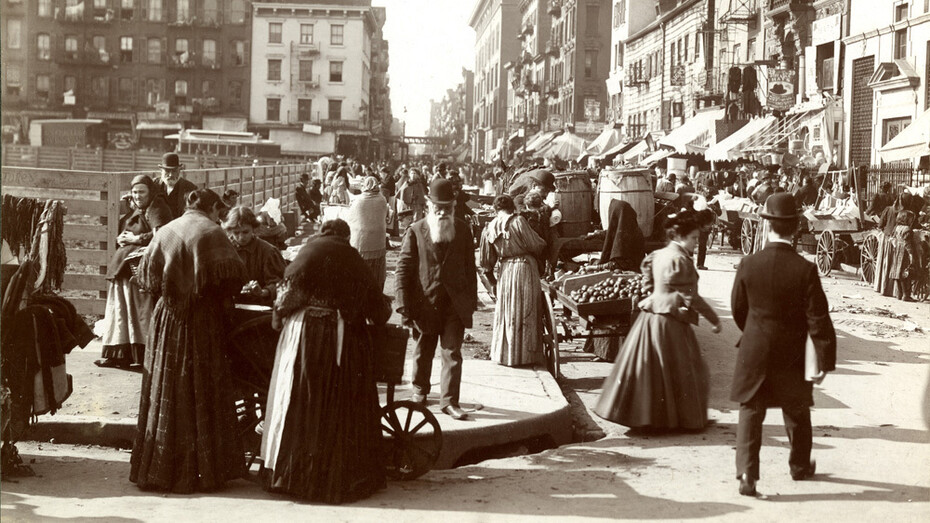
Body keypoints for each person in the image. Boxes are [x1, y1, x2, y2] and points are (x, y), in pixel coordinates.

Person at [260, 219, 390, 504]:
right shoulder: (353, 258)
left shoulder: (307, 252)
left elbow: (286, 297)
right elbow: (377, 308)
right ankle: (336, 477)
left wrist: (279, 314)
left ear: (322, 233)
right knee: (339, 404)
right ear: (346, 237)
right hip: (340, 341)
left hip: (304, 337)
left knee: (300, 399)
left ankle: (295, 476)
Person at [131, 189, 246, 493]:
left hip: (167, 319)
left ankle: (159, 468)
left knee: (166, 388)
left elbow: (146, 279)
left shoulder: (167, 230)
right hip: (202, 321)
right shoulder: (213, 232)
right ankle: (204, 470)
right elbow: (235, 278)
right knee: (202, 389)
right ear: (210, 209)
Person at [730, 192, 837, 497]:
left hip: (754, 349)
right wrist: (824, 358)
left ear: (768, 227)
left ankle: (748, 473)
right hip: (791, 354)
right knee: (797, 410)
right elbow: (818, 318)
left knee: (750, 409)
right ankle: (799, 466)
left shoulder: (748, 264)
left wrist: (754, 332)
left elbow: (738, 309)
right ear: (794, 229)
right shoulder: (806, 269)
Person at [594, 209, 722, 430]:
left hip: (649, 318)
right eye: (693, 238)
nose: (695, 243)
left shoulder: (657, 255)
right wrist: (714, 319)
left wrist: (658, 296)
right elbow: (692, 297)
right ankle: (677, 419)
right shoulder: (681, 260)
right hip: (670, 322)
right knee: (685, 371)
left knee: (649, 370)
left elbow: (647, 287)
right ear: (679, 236)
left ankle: (648, 418)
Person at [396, 178, 478, 420]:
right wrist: (403, 305)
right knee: (423, 349)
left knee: (452, 353)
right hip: (425, 302)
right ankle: (420, 390)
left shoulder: (463, 230)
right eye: (438, 207)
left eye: (448, 207)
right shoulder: (416, 230)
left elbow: (469, 268)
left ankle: (449, 401)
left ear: (454, 206)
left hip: (454, 303)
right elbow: (403, 269)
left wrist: (471, 302)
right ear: (429, 205)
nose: (443, 212)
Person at [96, 175, 172, 369]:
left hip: (140, 269)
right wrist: (121, 238)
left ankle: (142, 356)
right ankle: (120, 354)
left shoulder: (158, 206)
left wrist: (135, 240)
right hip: (123, 268)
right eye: (135, 192)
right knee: (121, 311)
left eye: (142, 192)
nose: (138, 196)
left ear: (151, 192)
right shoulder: (137, 210)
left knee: (140, 311)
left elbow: (161, 235)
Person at [479, 195, 546, 367]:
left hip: (506, 270)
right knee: (526, 309)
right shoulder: (519, 221)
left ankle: (505, 355)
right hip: (524, 268)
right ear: (513, 208)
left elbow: (486, 260)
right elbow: (535, 245)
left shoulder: (490, 226)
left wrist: (492, 279)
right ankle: (525, 356)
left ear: (495, 209)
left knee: (507, 311)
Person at [584, 199, 646, 362]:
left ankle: (611, 353)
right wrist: (595, 234)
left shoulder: (627, 234)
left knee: (609, 311)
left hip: (628, 278)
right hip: (620, 276)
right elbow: (611, 232)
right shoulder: (627, 225)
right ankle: (604, 351)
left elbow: (618, 263)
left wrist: (595, 268)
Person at [222, 206, 286, 306]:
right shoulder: (225, 251)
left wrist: (263, 292)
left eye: (245, 232)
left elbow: (280, 283)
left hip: (260, 306)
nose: (241, 237)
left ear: (254, 229)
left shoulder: (268, 251)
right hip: (232, 305)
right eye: (236, 233)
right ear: (229, 232)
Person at [344, 176, 389, 290]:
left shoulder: (358, 201)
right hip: (378, 240)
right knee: (377, 267)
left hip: (361, 240)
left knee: (361, 267)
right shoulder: (382, 199)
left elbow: (350, 218)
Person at [153, 152, 198, 219]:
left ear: (179, 171)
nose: (171, 175)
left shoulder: (189, 188)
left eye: (174, 171)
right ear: (161, 171)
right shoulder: (154, 185)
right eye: (167, 171)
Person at [889, 210, 922, 302]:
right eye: (911, 218)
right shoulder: (907, 229)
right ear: (906, 219)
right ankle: (906, 295)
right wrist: (911, 255)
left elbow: (892, 239)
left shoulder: (897, 227)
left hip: (897, 251)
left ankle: (899, 294)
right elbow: (908, 244)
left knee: (897, 272)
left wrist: (897, 245)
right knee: (905, 273)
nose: (912, 220)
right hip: (905, 253)